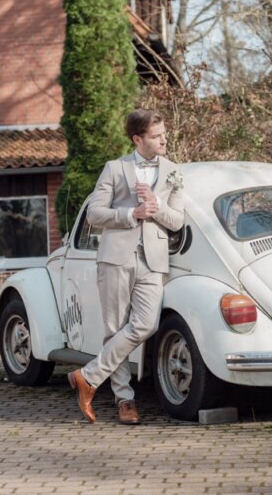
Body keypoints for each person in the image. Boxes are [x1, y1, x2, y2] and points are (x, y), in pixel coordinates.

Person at [67, 109, 185, 424]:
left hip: (153, 260)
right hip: (115, 257)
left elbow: (177, 220)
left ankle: (88, 377)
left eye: (164, 133)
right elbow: (94, 214)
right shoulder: (115, 169)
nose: (164, 139)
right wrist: (131, 214)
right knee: (115, 329)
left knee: (146, 324)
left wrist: (155, 208)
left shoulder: (174, 171)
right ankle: (125, 401)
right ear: (138, 139)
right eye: (157, 135)